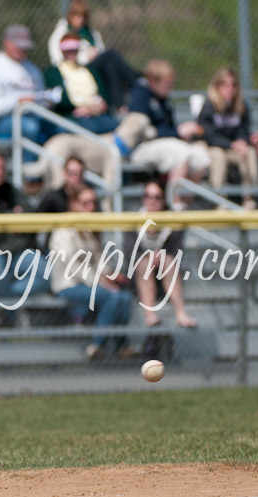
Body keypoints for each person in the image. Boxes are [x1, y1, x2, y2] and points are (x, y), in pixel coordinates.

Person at [49, 185, 135, 360]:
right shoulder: (63, 230)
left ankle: (121, 345)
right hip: (68, 286)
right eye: (85, 204)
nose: (91, 208)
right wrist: (102, 282)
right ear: (74, 205)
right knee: (111, 296)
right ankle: (96, 346)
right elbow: (73, 266)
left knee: (124, 297)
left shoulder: (88, 230)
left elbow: (98, 259)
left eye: (93, 203)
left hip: (90, 284)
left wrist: (110, 274)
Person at [0, 150, 51, 307]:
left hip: (17, 250)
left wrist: (7, 222)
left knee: (45, 273)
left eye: (1, 168)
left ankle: (10, 301)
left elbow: (31, 216)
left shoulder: (10, 189)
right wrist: (13, 216)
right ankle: (9, 318)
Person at [129, 60, 210, 207]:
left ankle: (185, 204)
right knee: (181, 153)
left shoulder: (164, 100)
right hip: (142, 147)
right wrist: (178, 132)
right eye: (167, 84)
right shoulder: (140, 96)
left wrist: (182, 134)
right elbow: (147, 132)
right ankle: (175, 204)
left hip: (166, 143)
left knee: (202, 157)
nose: (170, 88)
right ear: (153, 81)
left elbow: (169, 129)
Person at [0, 24, 57, 159]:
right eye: (19, 46)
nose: (23, 50)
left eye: (25, 47)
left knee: (59, 127)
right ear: (7, 43)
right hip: (3, 121)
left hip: (33, 115)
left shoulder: (32, 69)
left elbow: (39, 98)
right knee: (31, 128)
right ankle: (29, 175)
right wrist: (19, 101)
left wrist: (48, 102)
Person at [125, 180, 197, 328]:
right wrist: (150, 258)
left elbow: (176, 252)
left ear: (164, 200)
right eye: (147, 196)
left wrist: (160, 256)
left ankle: (180, 313)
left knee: (168, 261)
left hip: (168, 272)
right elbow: (130, 255)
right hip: (140, 275)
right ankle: (149, 314)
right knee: (143, 264)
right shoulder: (134, 220)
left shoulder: (174, 222)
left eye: (156, 197)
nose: (151, 201)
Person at [47, 0, 139, 112]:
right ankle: (138, 80)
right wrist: (86, 56)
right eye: (77, 16)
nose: (80, 19)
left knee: (111, 65)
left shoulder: (91, 33)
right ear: (70, 16)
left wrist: (95, 53)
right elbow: (59, 60)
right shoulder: (62, 33)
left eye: (83, 16)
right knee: (112, 54)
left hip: (96, 68)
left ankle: (119, 105)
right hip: (79, 69)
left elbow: (101, 49)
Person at [197, 68, 258, 210]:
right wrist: (231, 144)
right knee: (218, 156)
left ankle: (250, 199)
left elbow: (244, 130)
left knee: (249, 152)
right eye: (225, 85)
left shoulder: (241, 106)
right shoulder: (209, 106)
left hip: (233, 148)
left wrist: (242, 142)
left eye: (233, 85)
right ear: (217, 86)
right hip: (214, 147)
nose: (230, 89)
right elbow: (207, 134)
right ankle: (219, 201)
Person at [44, 33, 119, 134]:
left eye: (74, 50)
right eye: (68, 50)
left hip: (96, 114)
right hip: (73, 117)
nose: (72, 53)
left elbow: (103, 94)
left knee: (116, 124)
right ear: (62, 51)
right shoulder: (53, 73)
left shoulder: (89, 70)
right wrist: (78, 109)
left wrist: (94, 108)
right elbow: (59, 99)